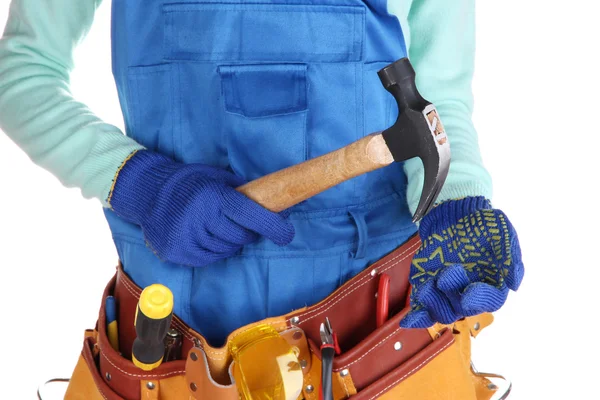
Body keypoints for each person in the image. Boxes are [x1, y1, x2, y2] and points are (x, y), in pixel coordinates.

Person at [0, 0, 524, 398]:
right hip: (169, 353)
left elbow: (440, 98)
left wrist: (456, 202)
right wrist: (140, 184)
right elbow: (21, 72)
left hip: (380, 348)